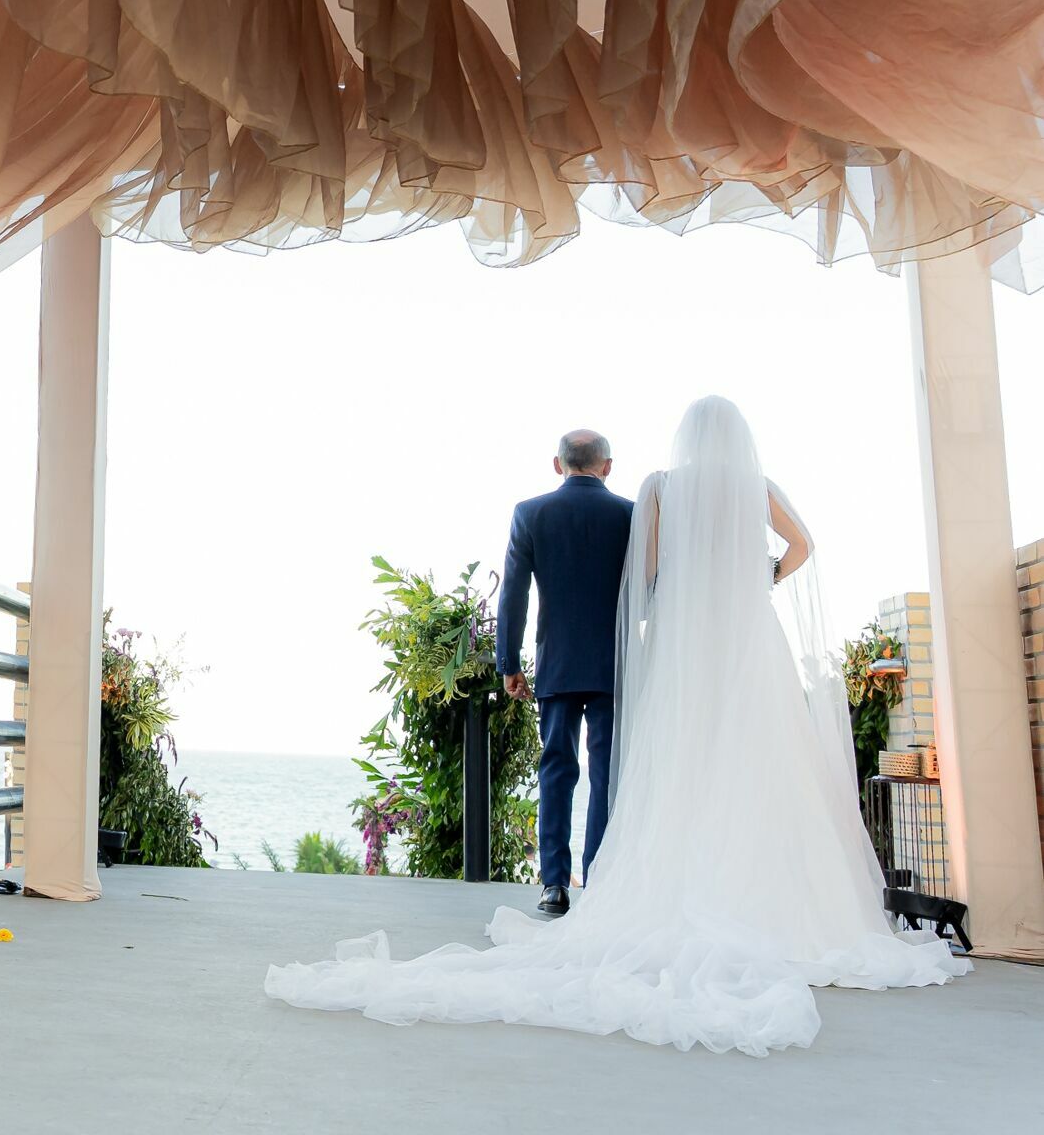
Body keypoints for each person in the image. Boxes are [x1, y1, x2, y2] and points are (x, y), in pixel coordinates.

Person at [266, 398, 968, 1055]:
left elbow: (642, 575)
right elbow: (802, 545)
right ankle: (719, 888)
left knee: (632, 764)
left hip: (650, 649)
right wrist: (758, 579)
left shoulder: (650, 491)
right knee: (742, 760)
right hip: (741, 640)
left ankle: (567, 884)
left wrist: (640, 616)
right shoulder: (742, 489)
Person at [495, 428, 634, 916]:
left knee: (556, 769)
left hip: (557, 660)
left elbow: (513, 594)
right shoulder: (630, 514)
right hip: (615, 664)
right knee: (606, 774)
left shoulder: (530, 513)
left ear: (558, 464)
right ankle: (598, 880)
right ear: (607, 466)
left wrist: (509, 663)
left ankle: (554, 884)